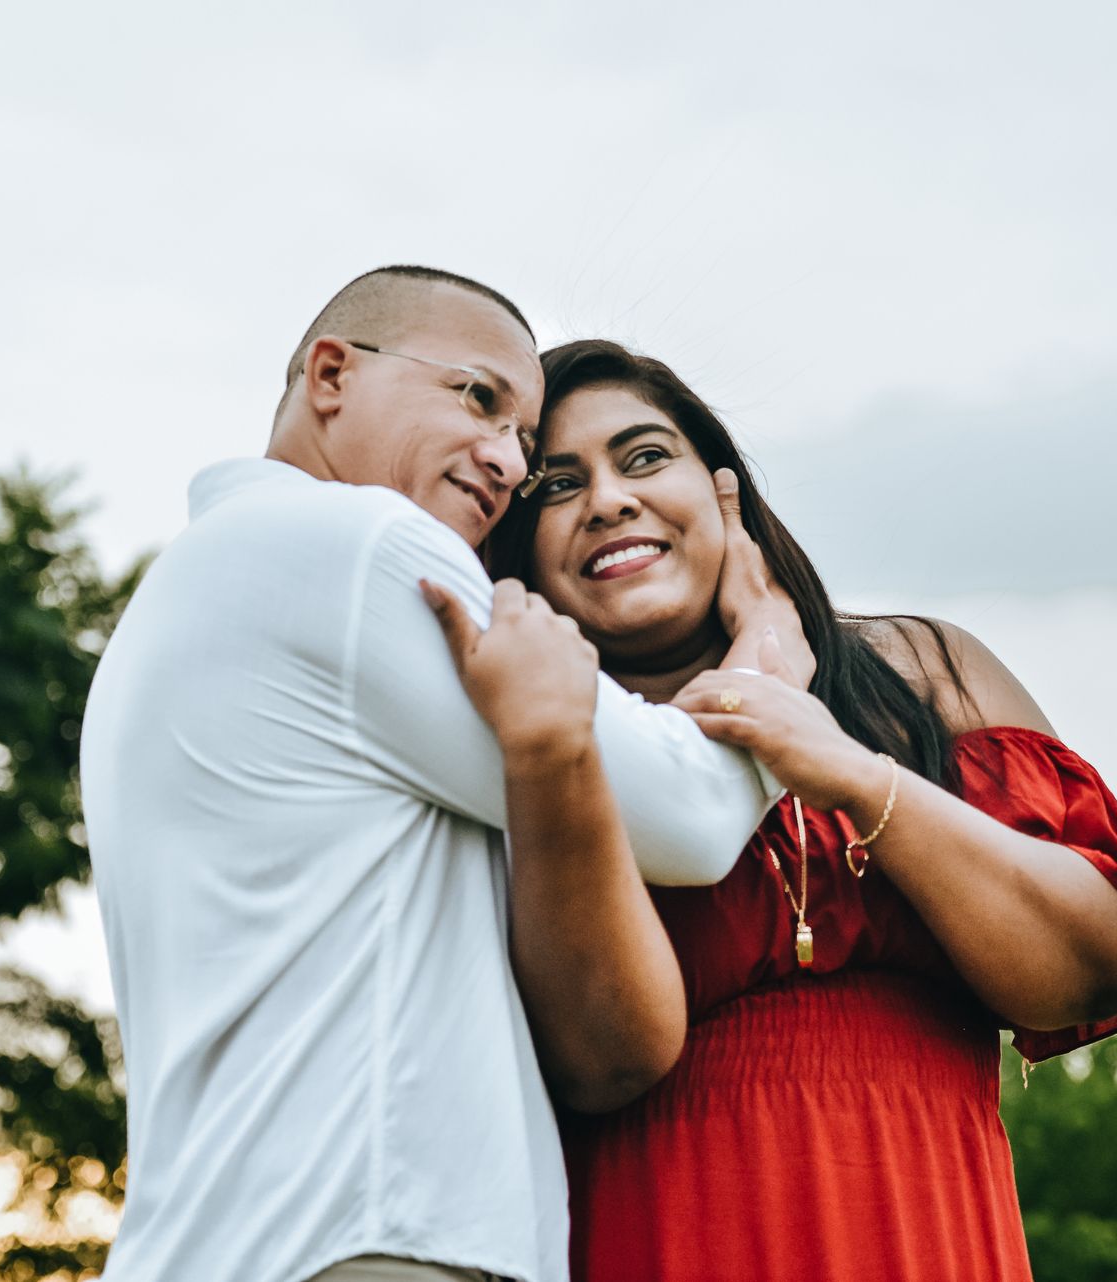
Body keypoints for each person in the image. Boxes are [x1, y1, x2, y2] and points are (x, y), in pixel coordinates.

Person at [78, 273, 784, 1282]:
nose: (505, 459)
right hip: (364, 1240)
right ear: (331, 375)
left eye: (523, 444)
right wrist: (768, 654)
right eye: (479, 398)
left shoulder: (191, 589)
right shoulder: (356, 543)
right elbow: (694, 811)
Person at [452, 339, 1117, 1281]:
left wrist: (847, 769)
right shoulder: (532, 754)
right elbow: (595, 1060)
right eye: (554, 485)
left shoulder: (921, 672)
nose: (609, 500)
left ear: (724, 494)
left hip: (934, 1235)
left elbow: (1090, 969)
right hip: (659, 1234)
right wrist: (747, 668)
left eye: (644, 457)